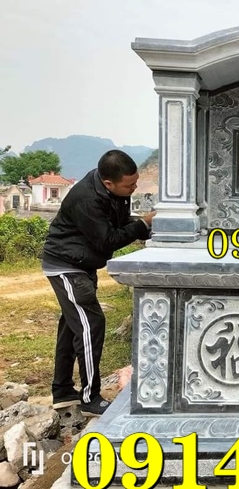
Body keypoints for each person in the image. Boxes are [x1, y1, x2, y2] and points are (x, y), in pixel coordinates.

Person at [42, 150, 156, 417]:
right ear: (108, 183)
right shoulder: (87, 199)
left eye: (136, 182)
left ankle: (62, 391)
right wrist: (143, 224)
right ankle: (90, 398)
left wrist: (147, 225)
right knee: (91, 325)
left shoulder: (114, 193)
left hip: (81, 264)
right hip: (67, 266)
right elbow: (107, 240)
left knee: (72, 328)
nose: (134, 188)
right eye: (129, 185)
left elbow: (119, 225)